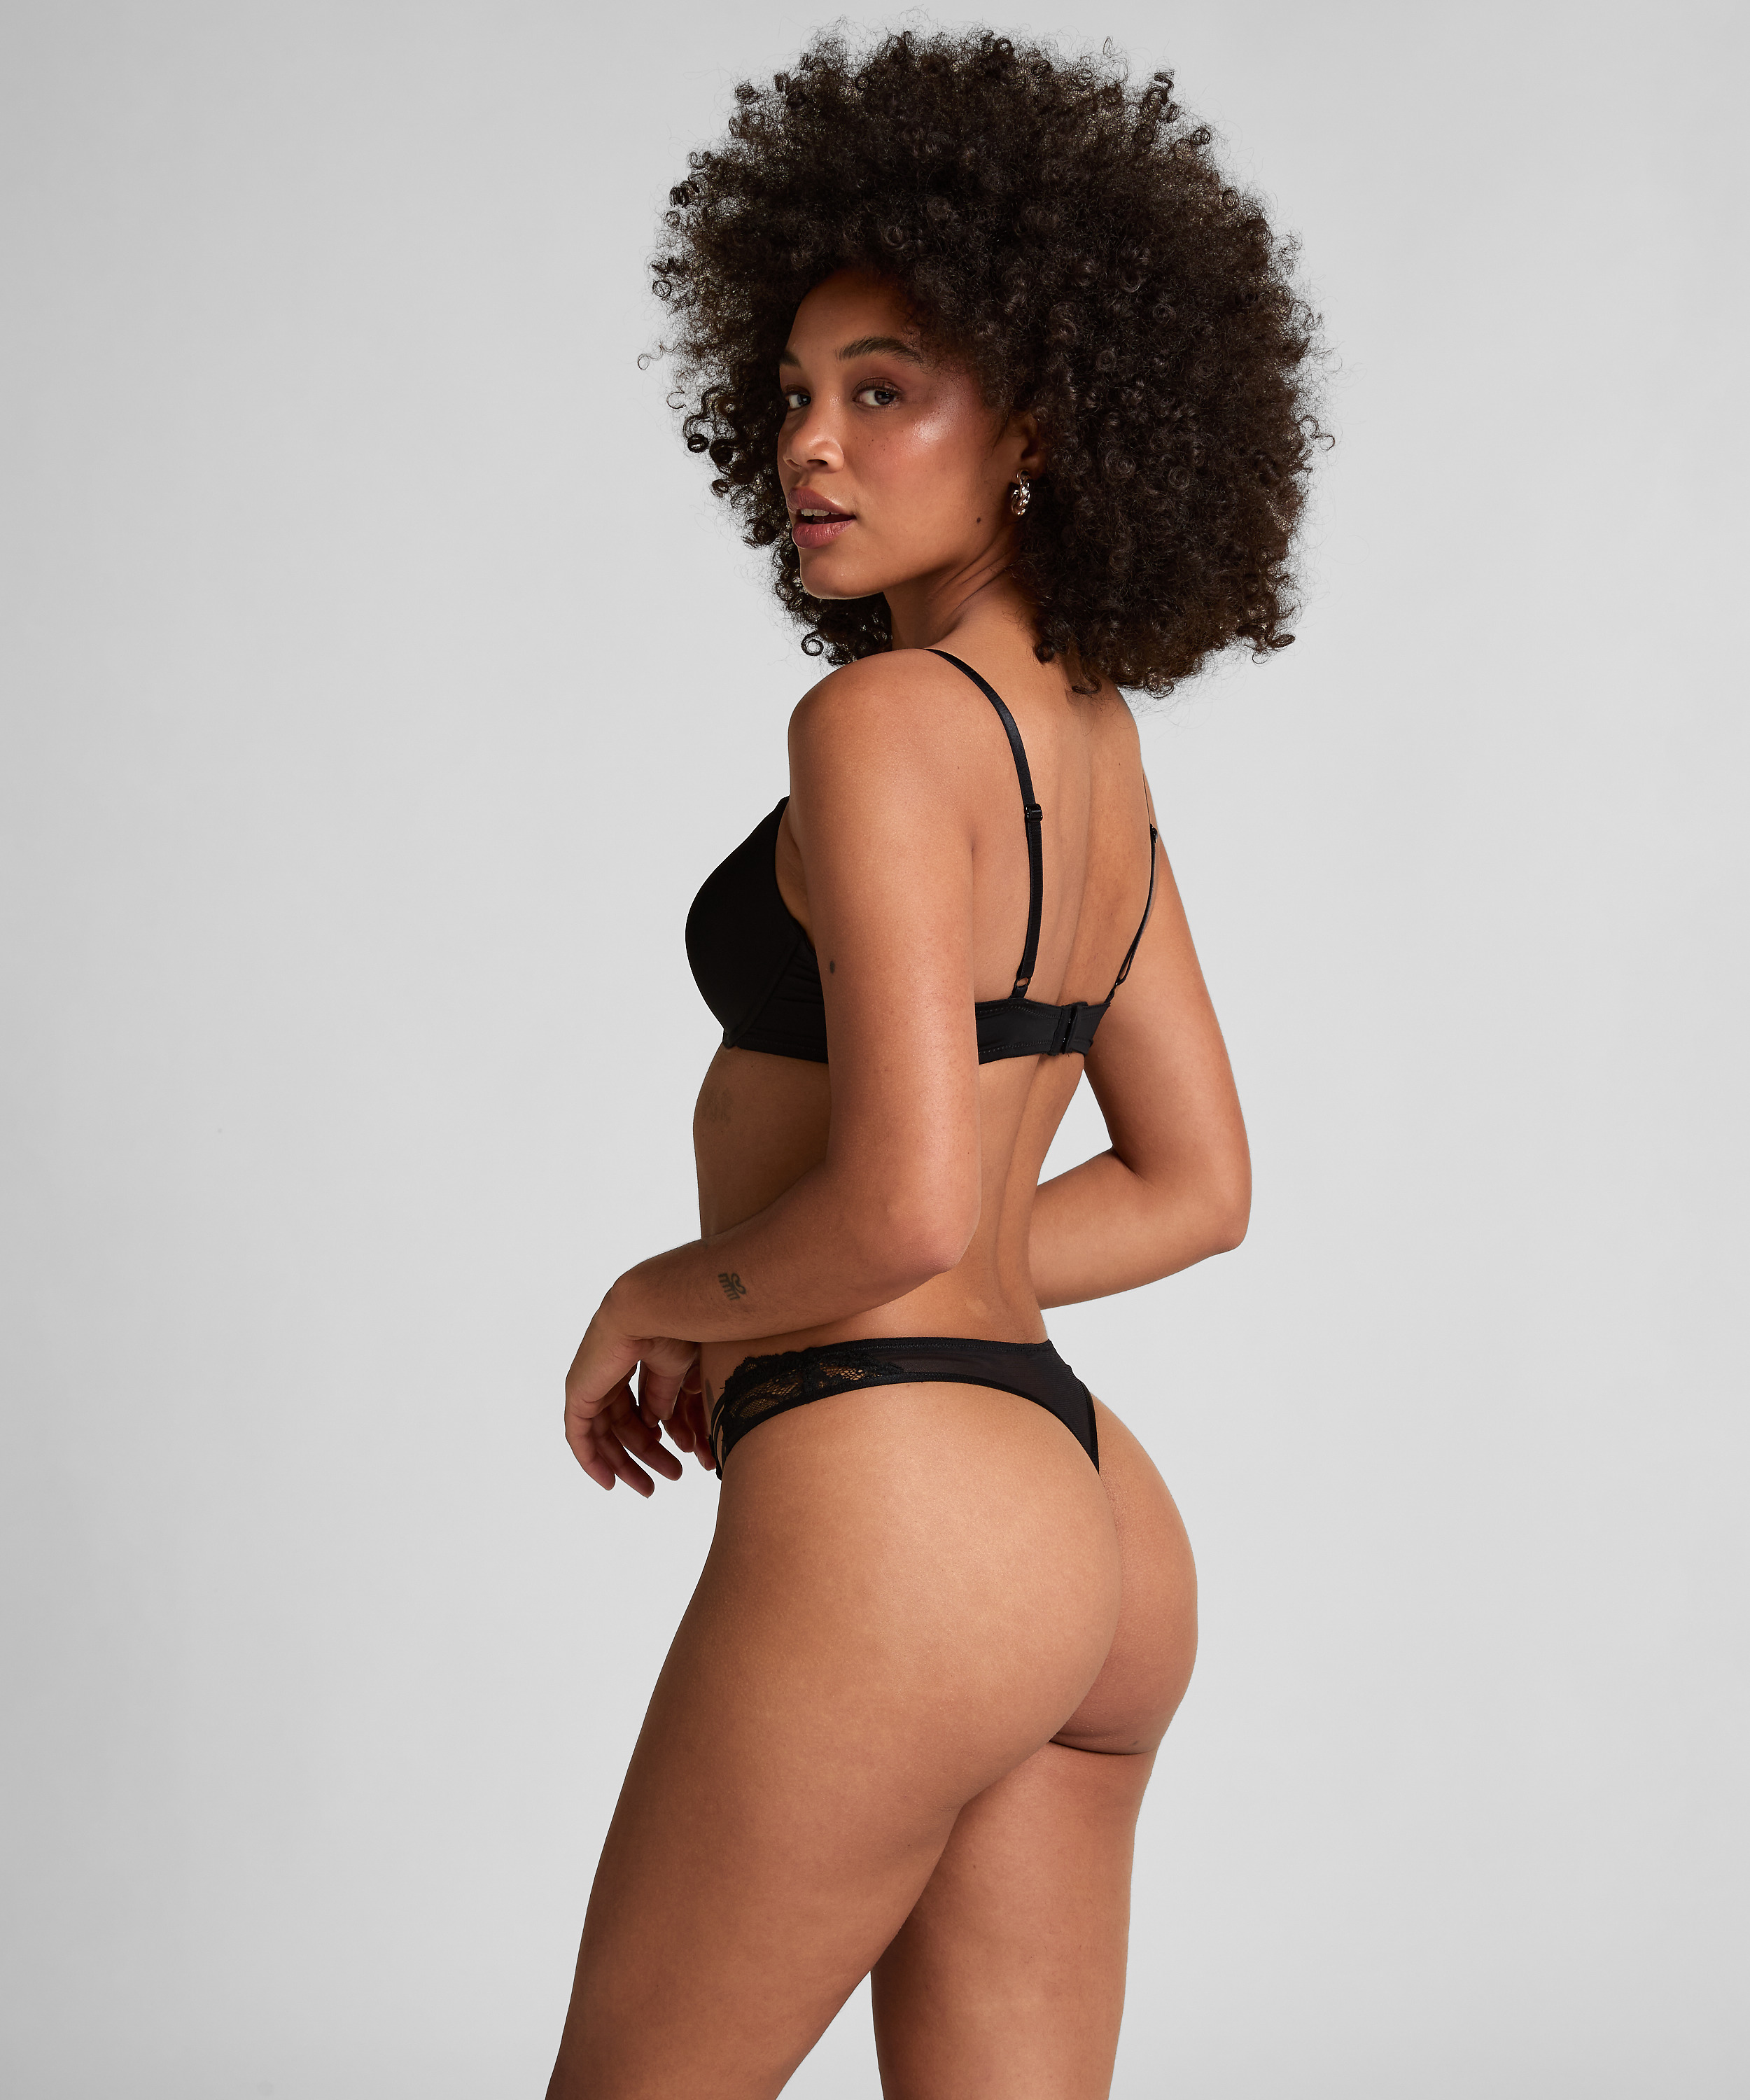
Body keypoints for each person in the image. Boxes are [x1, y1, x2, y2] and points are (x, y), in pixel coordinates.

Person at [546, 29, 1323, 2098]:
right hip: (1089, 1526)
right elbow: (1194, 1186)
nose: (811, 445)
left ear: (1044, 420)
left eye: (881, 391)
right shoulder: (1093, 747)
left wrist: (668, 1292)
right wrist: (893, 1276)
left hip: (901, 1513)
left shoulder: (880, 729)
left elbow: (896, 1204)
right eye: (792, 395)